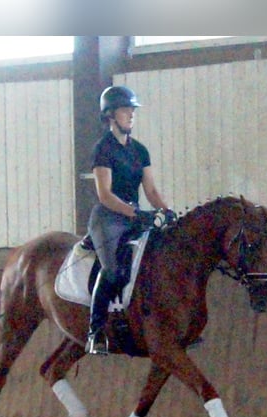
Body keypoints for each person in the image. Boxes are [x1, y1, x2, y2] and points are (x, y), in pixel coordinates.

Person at [86, 85, 176, 355]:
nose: (132, 115)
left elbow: (150, 190)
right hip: (109, 218)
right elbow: (105, 195)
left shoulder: (140, 150)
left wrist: (166, 210)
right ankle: (96, 331)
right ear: (111, 115)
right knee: (113, 271)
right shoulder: (103, 149)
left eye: (133, 111)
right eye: (126, 111)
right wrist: (135, 213)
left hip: (135, 215)